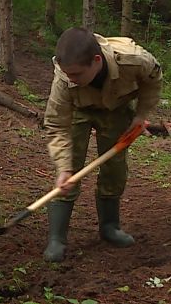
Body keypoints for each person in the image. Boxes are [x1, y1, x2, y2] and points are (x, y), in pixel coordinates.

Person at [42, 28, 163, 262]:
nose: (70, 78)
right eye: (67, 74)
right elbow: (57, 124)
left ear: (96, 61)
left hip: (115, 109)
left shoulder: (134, 60)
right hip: (79, 110)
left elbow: (153, 80)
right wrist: (63, 167)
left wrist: (141, 115)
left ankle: (110, 227)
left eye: (76, 74)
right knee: (70, 171)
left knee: (114, 167)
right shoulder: (64, 79)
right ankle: (57, 238)